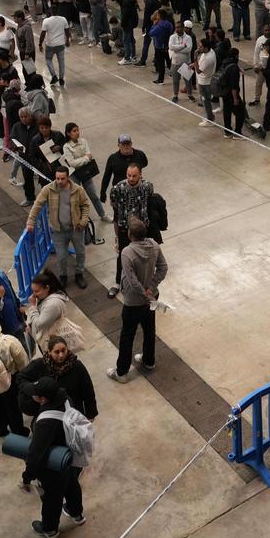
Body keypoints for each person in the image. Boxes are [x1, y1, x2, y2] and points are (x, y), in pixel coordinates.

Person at [18, 376, 83, 538]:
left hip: (53, 464)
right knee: (72, 484)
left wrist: (28, 476)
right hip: (70, 456)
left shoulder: (46, 423)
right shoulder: (66, 398)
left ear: (42, 399)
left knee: (52, 497)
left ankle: (50, 529)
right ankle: (77, 514)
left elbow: (36, 453)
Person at [108, 218, 168, 382]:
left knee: (127, 335)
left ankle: (121, 372)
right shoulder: (154, 246)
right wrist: (151, 288)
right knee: (149, 329)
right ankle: (149, 361)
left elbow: (132, 280)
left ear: (130, 235)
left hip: (133, 302)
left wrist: (144, 293)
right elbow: (163, 267)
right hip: (152, 298)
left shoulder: (127, 252)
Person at [27, 167, 91, 290]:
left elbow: (85, 205)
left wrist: (83, 221)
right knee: (61, 256)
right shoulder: (48, 189)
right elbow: (37, 205)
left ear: (68, 178)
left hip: (76, 229)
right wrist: (30, 221)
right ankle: (63, 276)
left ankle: (79, 273)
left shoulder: (78, 190)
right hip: (58, 231)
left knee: (80, 252)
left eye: (62, 178)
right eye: (57, 178)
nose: (59, 181)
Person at [107, 164, 154, 299]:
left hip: (142, 229)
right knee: (123, 254)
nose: (131, 178)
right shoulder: (118, 188)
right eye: (129, 175)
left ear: (140, 175)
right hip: (125, 228)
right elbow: (114, 205)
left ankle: (140, 283)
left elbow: (149, 200)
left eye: (134, 175)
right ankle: (118, 282)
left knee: (142, 255)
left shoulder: (147, 186)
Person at [22, 269, 84, 352]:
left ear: (47, 288)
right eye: (33, 291)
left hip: (53, 345)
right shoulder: (44, 298)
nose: (33, 294)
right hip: (48, 340)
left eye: (37, 291)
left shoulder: (53, 304)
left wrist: (33, 306)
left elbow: (39, 324)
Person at [61, 123, 112, 222]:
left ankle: (102, 215)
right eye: (74, 131)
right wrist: (85, 159)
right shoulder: (66, 147)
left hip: (86, 173)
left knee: (93, 195)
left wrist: (82, 159)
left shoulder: (83, 141)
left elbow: (89, 155)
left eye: (77, 130)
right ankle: (80, 218)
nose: (77, 132)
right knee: (77, 198)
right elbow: (72, 163)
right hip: (75, 175)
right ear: (68, 133)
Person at [99, 134, 149, 202]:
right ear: (118, 145)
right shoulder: (113, 158)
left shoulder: (140, 154)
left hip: (137, 191)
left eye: (128, 143)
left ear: (131, 144)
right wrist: (103, 192)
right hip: (120, 193)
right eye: (123, 144)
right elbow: (107, 176)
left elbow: (145, 163)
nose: (126, 146)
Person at [39, 11, 71, 87]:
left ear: (50, 12)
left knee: (48, 60)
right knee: (61, 62)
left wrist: (40, 44)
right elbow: (67, 31)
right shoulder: (63, 19)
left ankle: (54, 76)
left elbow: (43, 33)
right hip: (60, 44)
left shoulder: (46, 20)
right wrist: (67, 40)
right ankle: (61, 79)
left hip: (50, 45)